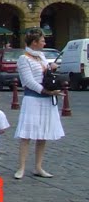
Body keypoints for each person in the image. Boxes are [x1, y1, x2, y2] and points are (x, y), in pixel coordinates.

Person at [13, 27, 64, 179]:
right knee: (27, 134)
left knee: (43, 134)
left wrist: (51, 68)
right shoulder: (24, 58)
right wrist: (46, 91)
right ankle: (21, 167)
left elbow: (44, 73)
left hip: (46, 100)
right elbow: (28, 81)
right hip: (33, 99)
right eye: (42, 40)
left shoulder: (41, 56)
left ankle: (38, 167)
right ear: (34, 42)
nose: (44, 42)